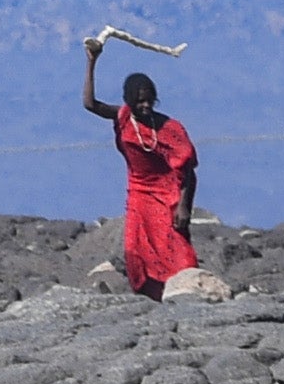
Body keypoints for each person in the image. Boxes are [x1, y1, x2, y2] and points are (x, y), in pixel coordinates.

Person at [82, 39, 200, 294]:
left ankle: (186, 291)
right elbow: (90, 104)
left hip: (167, 194)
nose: (145, 106)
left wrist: (183, 206)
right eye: (140, 101)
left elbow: (189, 170)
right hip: (138, 193)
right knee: (137, 249)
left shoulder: (170, 129)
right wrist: (92, 62)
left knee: (175, 246)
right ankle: (151, 296)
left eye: (149, 100)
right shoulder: (123, 117)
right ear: (129, 101)